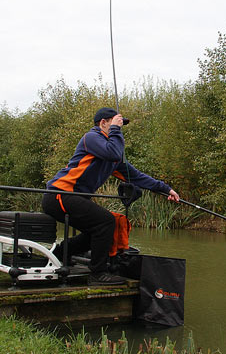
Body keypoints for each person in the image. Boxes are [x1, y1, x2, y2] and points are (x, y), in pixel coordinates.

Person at [42, 107, 180, 285]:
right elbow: (113, 152)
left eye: (120, 126)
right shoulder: (91, 138)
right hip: (59, 194)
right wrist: (115, 131)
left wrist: (166, 189)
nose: (119, 128)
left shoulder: (113, 158)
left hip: (73, 198)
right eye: (115, 124)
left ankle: (61, 253)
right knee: (106, 221)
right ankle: (98, 273)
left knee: (104, 228)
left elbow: (136, 176)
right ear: (103, 123)